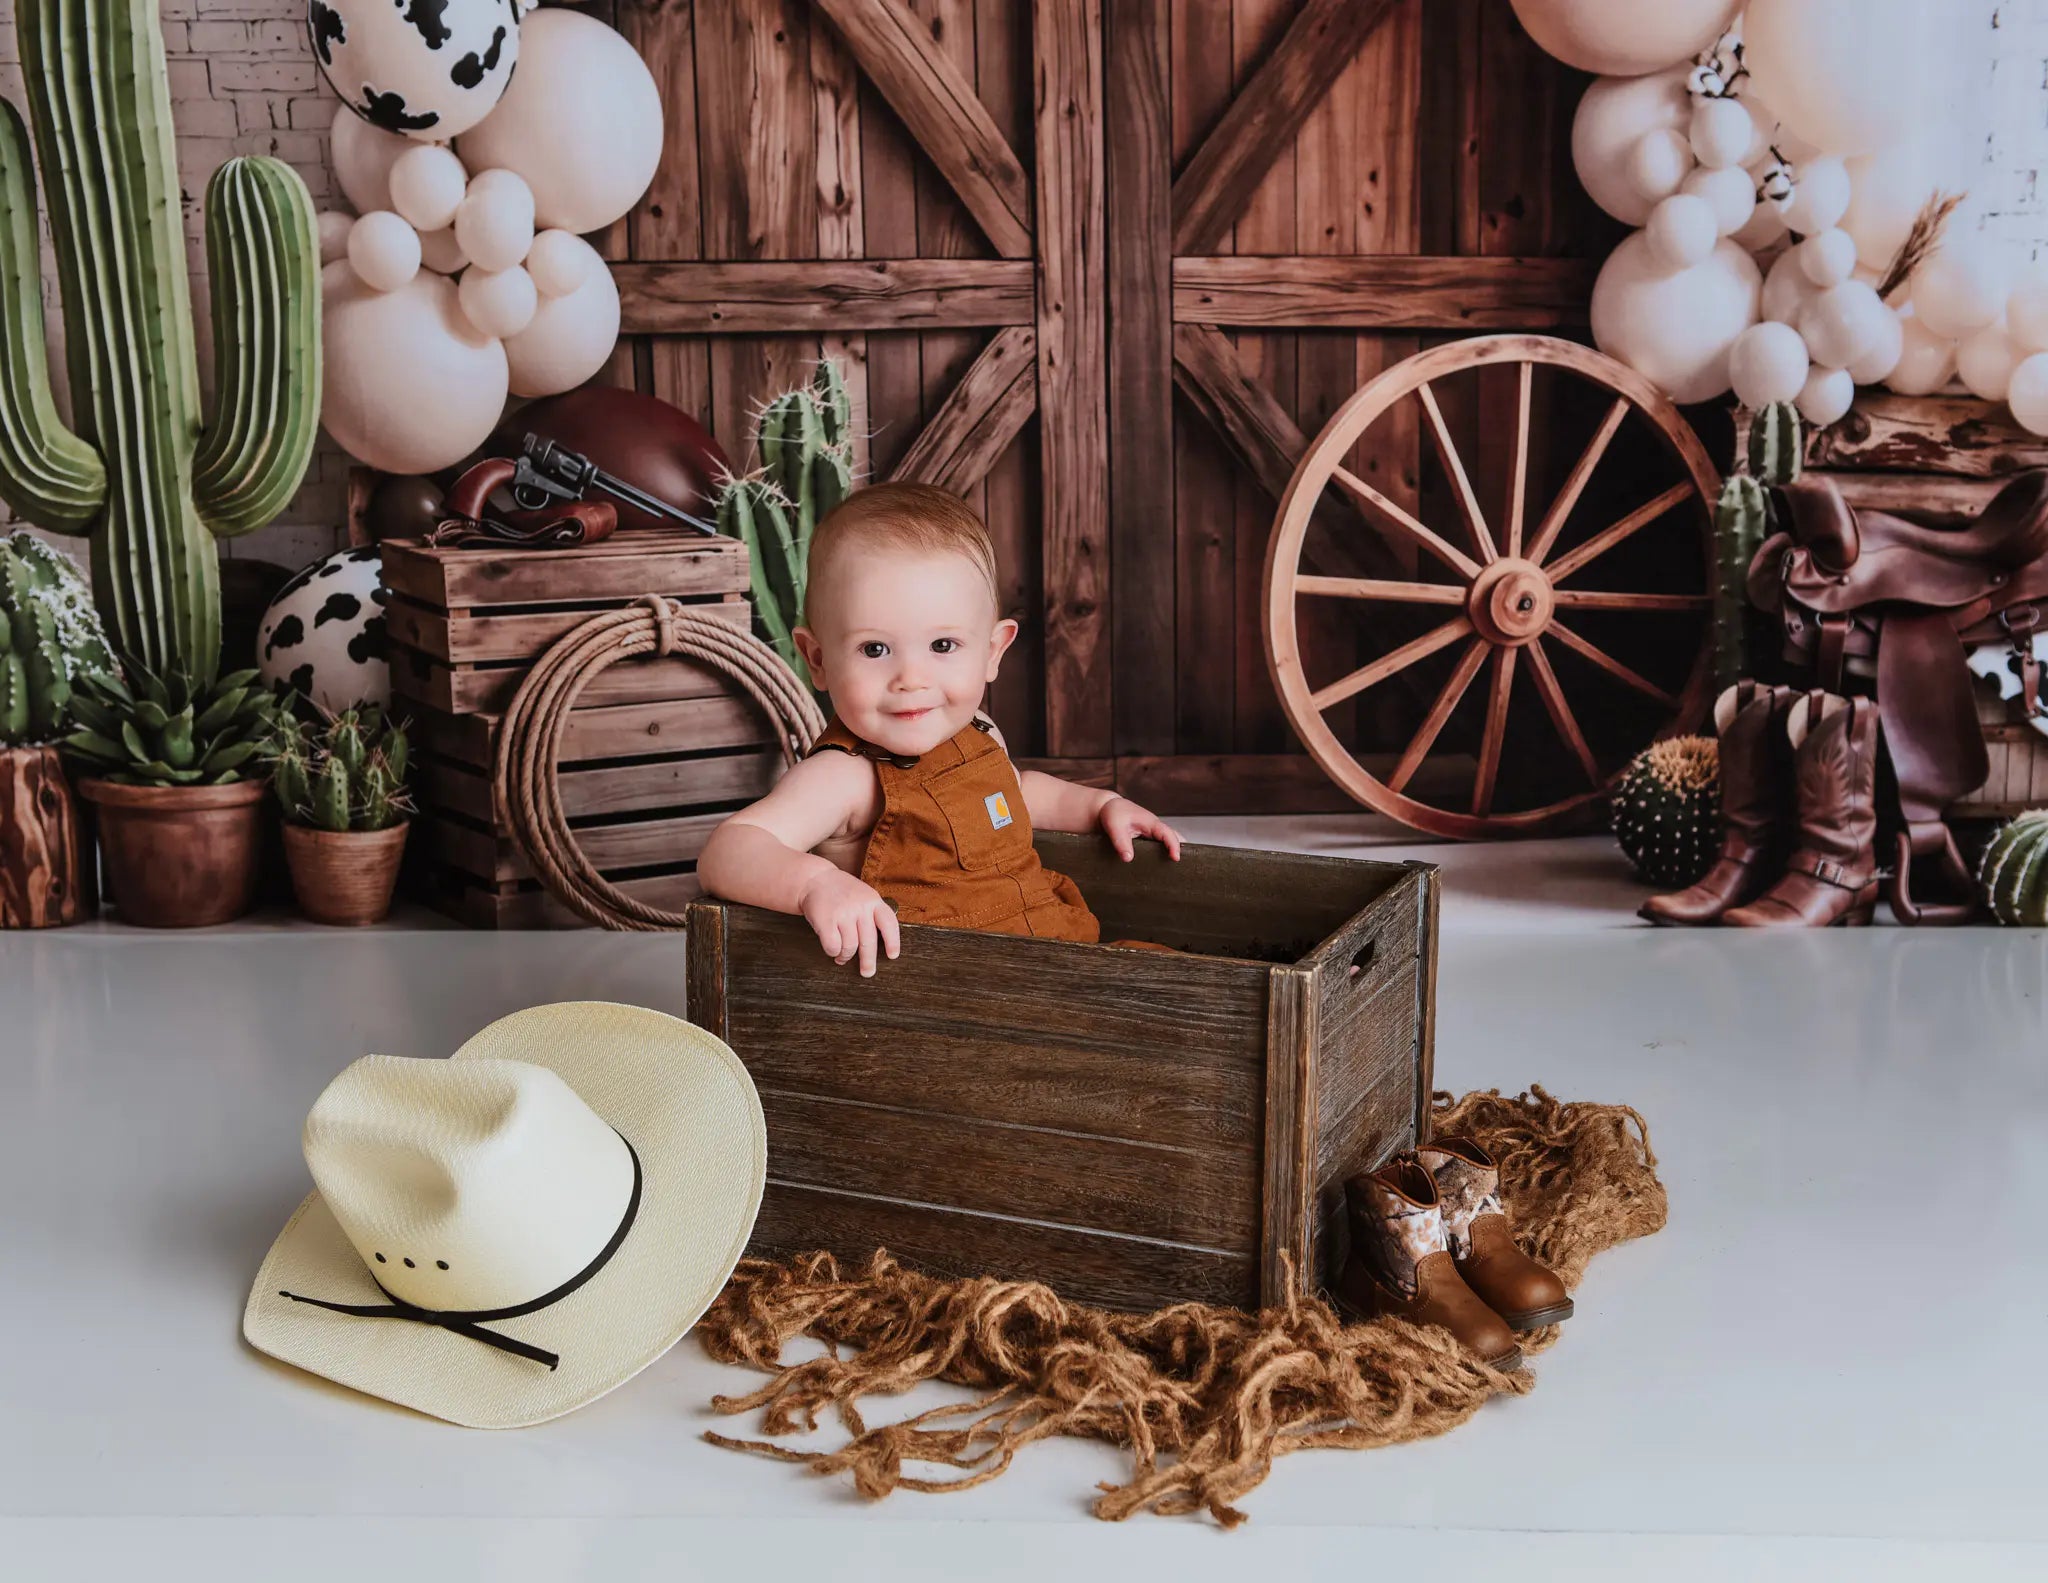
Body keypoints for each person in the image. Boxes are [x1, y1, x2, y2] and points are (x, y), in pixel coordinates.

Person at [697, 482, 1183, 975]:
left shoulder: (980, 731)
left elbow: (1017, 793)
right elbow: (729, 849)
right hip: (946, 992)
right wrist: (814, 884)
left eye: (943, 646)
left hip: (1054, 947)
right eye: (875, 649)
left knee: (1166, 975)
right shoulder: (843, 776)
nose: (912, 680)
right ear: (817, 660)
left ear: (992, 652)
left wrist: (1101, 805)